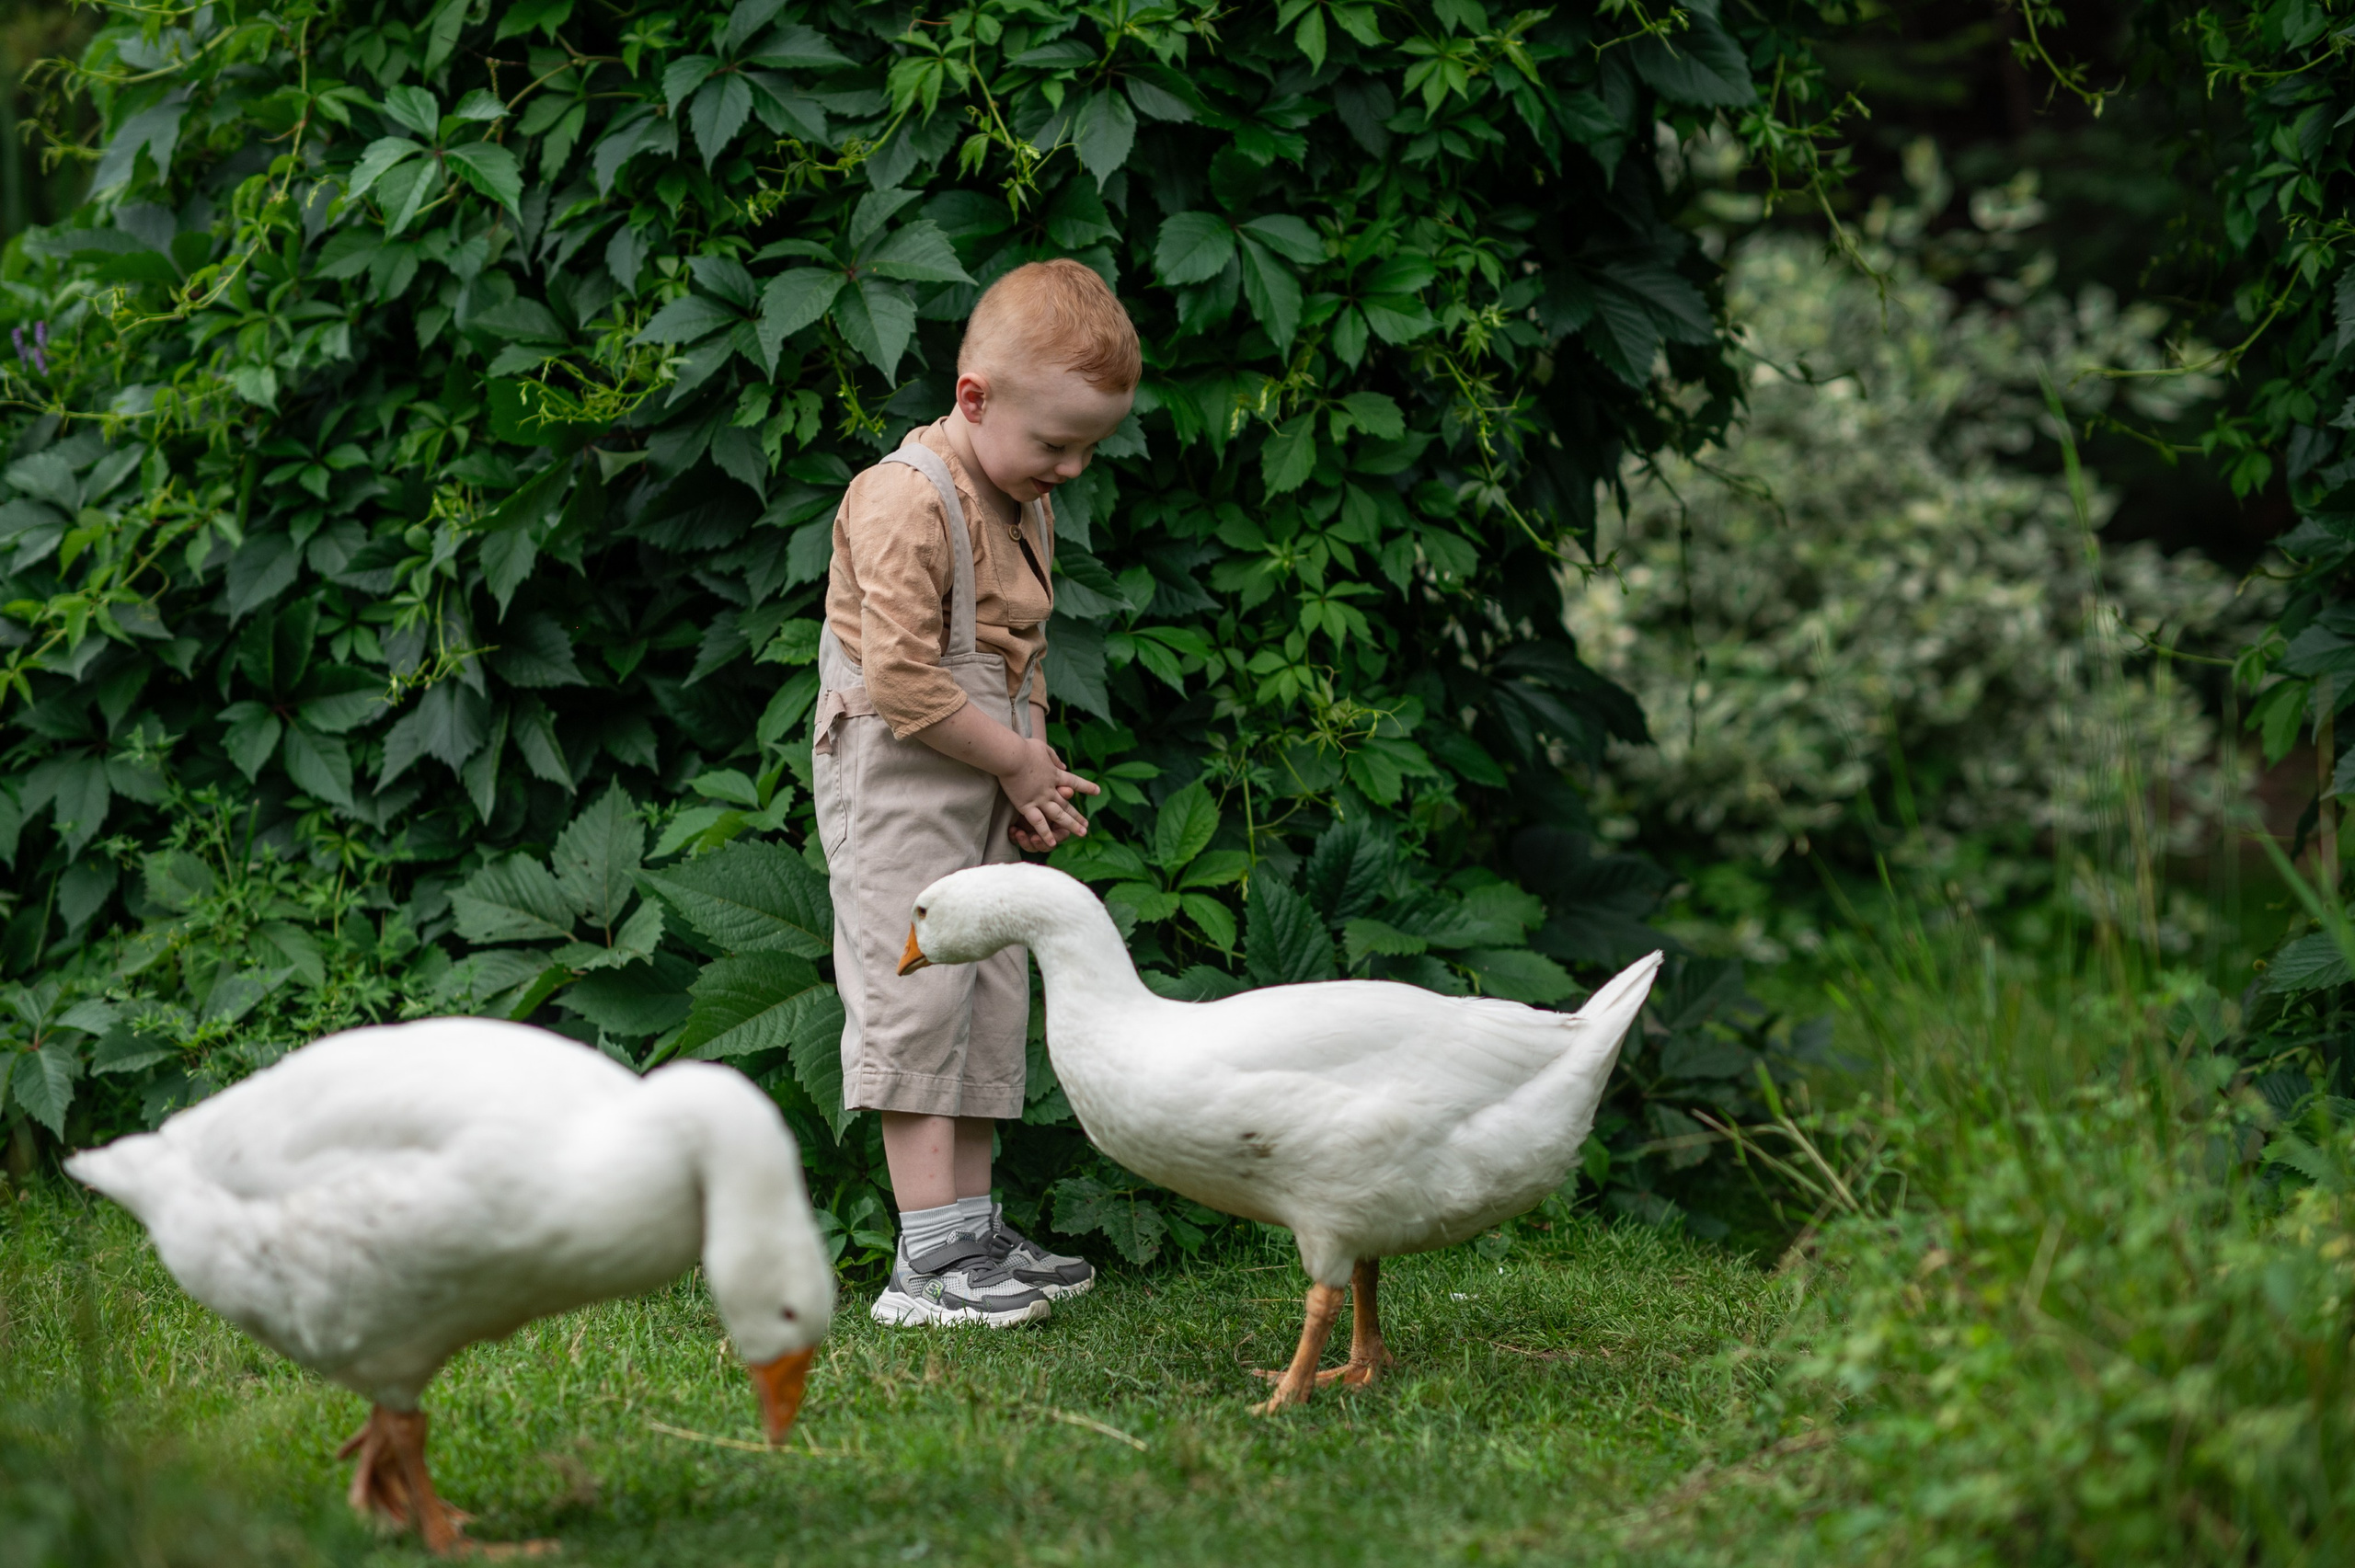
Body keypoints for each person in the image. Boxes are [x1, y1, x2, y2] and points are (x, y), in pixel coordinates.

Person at [812, 258, 1136, 1326]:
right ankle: (923, 1268)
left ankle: (973, 1233)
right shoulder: (903, 501)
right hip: (903, 776)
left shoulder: (1019, 497)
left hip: (984, 763)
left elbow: (1020, 657)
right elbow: (905, 681)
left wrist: (1029, 771)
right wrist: (1009, 759)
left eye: (1089, 446)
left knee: (990, 991)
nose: (1074, 467)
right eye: (1056, 443)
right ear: (973, 397)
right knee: (917, 998)